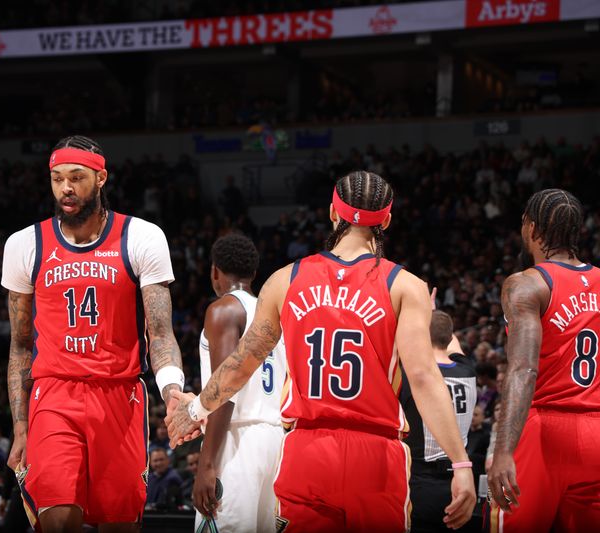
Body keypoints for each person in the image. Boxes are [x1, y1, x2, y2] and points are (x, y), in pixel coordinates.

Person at [167, 171, 476, 532]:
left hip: (306, 450)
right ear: (387, 221)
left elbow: (240, 364)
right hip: (375, 454)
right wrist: (461, 464)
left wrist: (194, 409)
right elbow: (423, 379)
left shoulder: (285, 279)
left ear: (333, 212)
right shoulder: (405, 286)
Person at [1, 135, 185, 532]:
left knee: (119, 523)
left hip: (119, 393)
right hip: (53, 393)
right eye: (57, 178)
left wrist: (171, 391)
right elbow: (19, 347)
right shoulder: (23, 244)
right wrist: (20, 429)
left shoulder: (142, 237)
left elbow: (161, 333)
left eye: (77, 177)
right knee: (57, 518)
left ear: (102, 178)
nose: (66, 188)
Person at [486, 189, 600, 532]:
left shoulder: (526, 284)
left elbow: (523, 369)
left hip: (543, 430)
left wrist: (504, 449)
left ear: (531, 228)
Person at [193, 233, 286, 533]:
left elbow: (226, 390)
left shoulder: (224, 310)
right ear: (254, 274)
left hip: (236, 441)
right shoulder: (274, 316)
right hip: (274, 442)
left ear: (214, 271)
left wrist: (206, 464)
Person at [401, 310, 477, 532]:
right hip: (459, 478)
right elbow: (451, 343)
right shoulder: (468, 370)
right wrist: (431, 313)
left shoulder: (412, 377)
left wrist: (421, 313)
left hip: (419, 482)